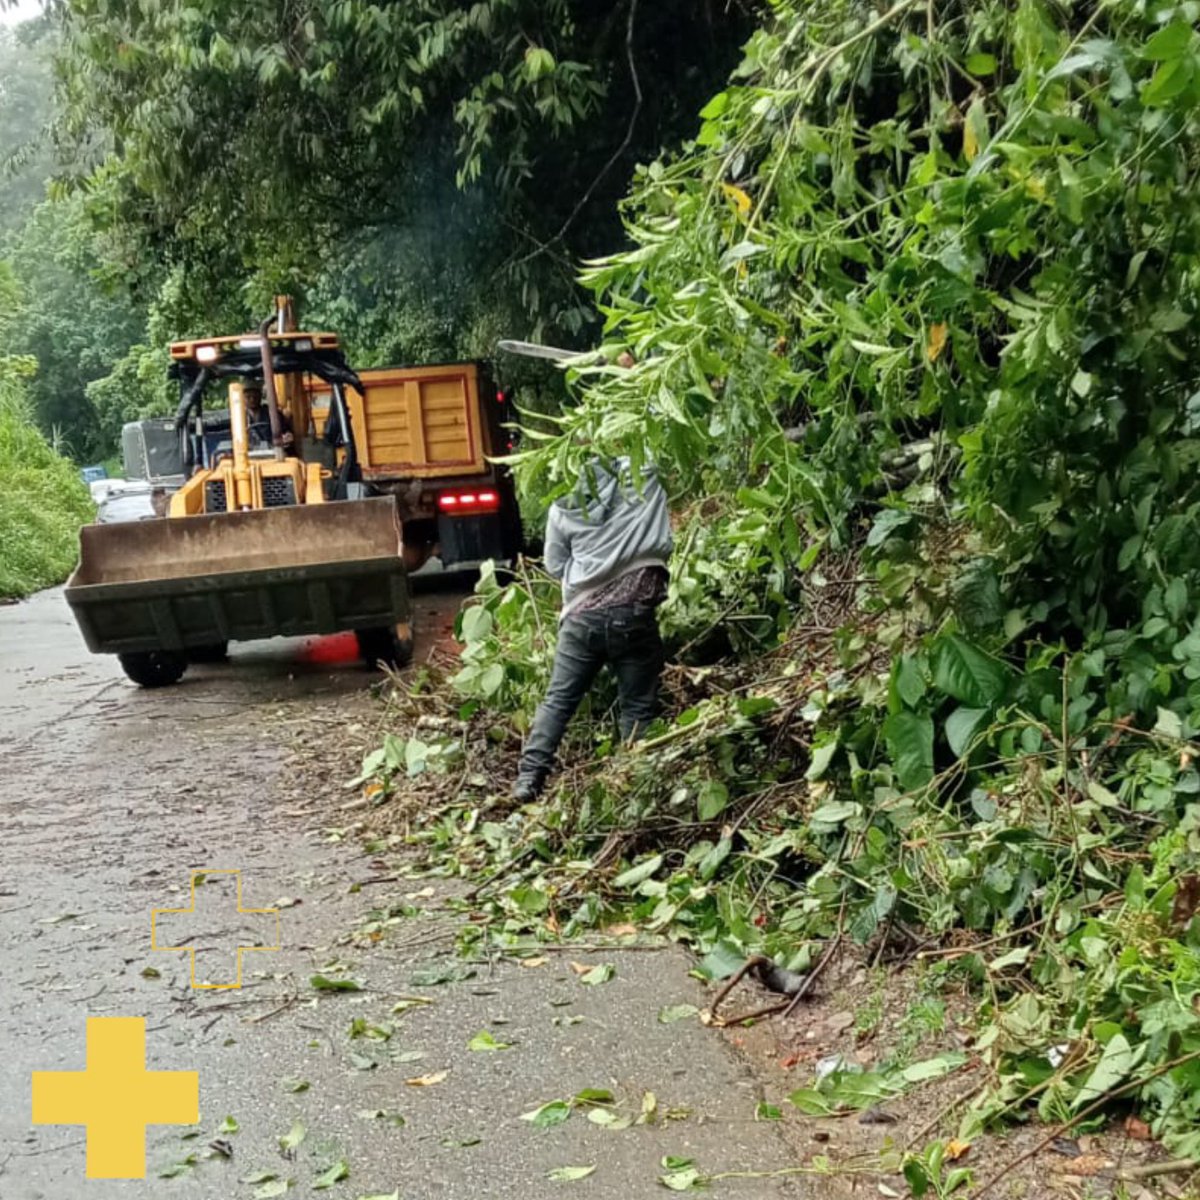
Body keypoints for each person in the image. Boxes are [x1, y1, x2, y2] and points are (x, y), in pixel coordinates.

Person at [512, 454, 673, 802]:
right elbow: (652, 451)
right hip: (634, 616)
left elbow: (555, 565)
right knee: (637, 706)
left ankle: (528, 779)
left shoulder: (563, 506)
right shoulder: (643, 481)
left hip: (581, 621)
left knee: (558, 700)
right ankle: (636, 783)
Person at [244, 384, 294, 452]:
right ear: (242, 398)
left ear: (260, 396)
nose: (252, 399)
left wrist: (287, 436)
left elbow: (285, 431)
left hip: (274, 450)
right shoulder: (239, 417)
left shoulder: (272, 413)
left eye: (255, 396)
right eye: (248, 397)